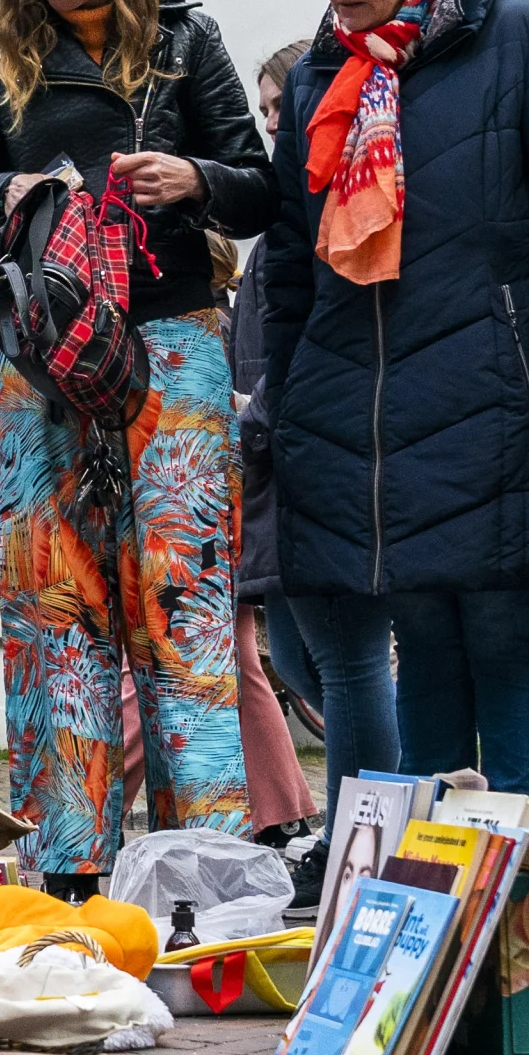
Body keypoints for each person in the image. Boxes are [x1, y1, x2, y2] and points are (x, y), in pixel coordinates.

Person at [0, 0, 272, 869]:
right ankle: (67, 872)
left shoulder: (184, 45)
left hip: (173, 336)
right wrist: (7, 194)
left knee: (183, 596)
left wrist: (194, 176)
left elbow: (260, 189)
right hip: (40, 350)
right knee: (52, 601)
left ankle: (204, 870)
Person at [256, 0, 529, 802]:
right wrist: (294, 394)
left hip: (500, 394)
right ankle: (423, 867)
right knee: (418, 629)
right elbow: (297, 261)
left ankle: (513, 855)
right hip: (369, 412)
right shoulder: (317, 82)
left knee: (505, 626)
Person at [232, 41, 397, 804]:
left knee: (344, 659)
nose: (272, 123)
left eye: (280, 107)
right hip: (276, 468)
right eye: (265, 109)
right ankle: (367, 812)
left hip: (320, 459)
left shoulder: (339, 210)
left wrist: (254, 409)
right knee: (299, 658)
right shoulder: (281, 229)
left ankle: (364, 829)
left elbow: (328, 338)